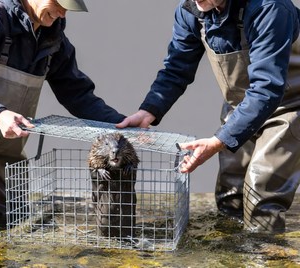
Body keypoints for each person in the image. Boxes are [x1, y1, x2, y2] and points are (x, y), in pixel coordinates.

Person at [0, 0, 125, 233]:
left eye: (67, 7)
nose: (62, 12)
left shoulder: (54, 39)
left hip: (2, 142)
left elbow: (77, 93)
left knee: (11, 215)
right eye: (58, 3)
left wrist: (118, 123)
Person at [117, 0, 300, 233]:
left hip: (289, 107)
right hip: (241, 107)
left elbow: (267, 88)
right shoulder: (191, 12)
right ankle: (231, 255)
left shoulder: (269, 8)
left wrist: (218, 141)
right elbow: (176, 68)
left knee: (260, 196)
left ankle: (263, 257)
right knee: (231, 193)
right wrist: (149, 111)